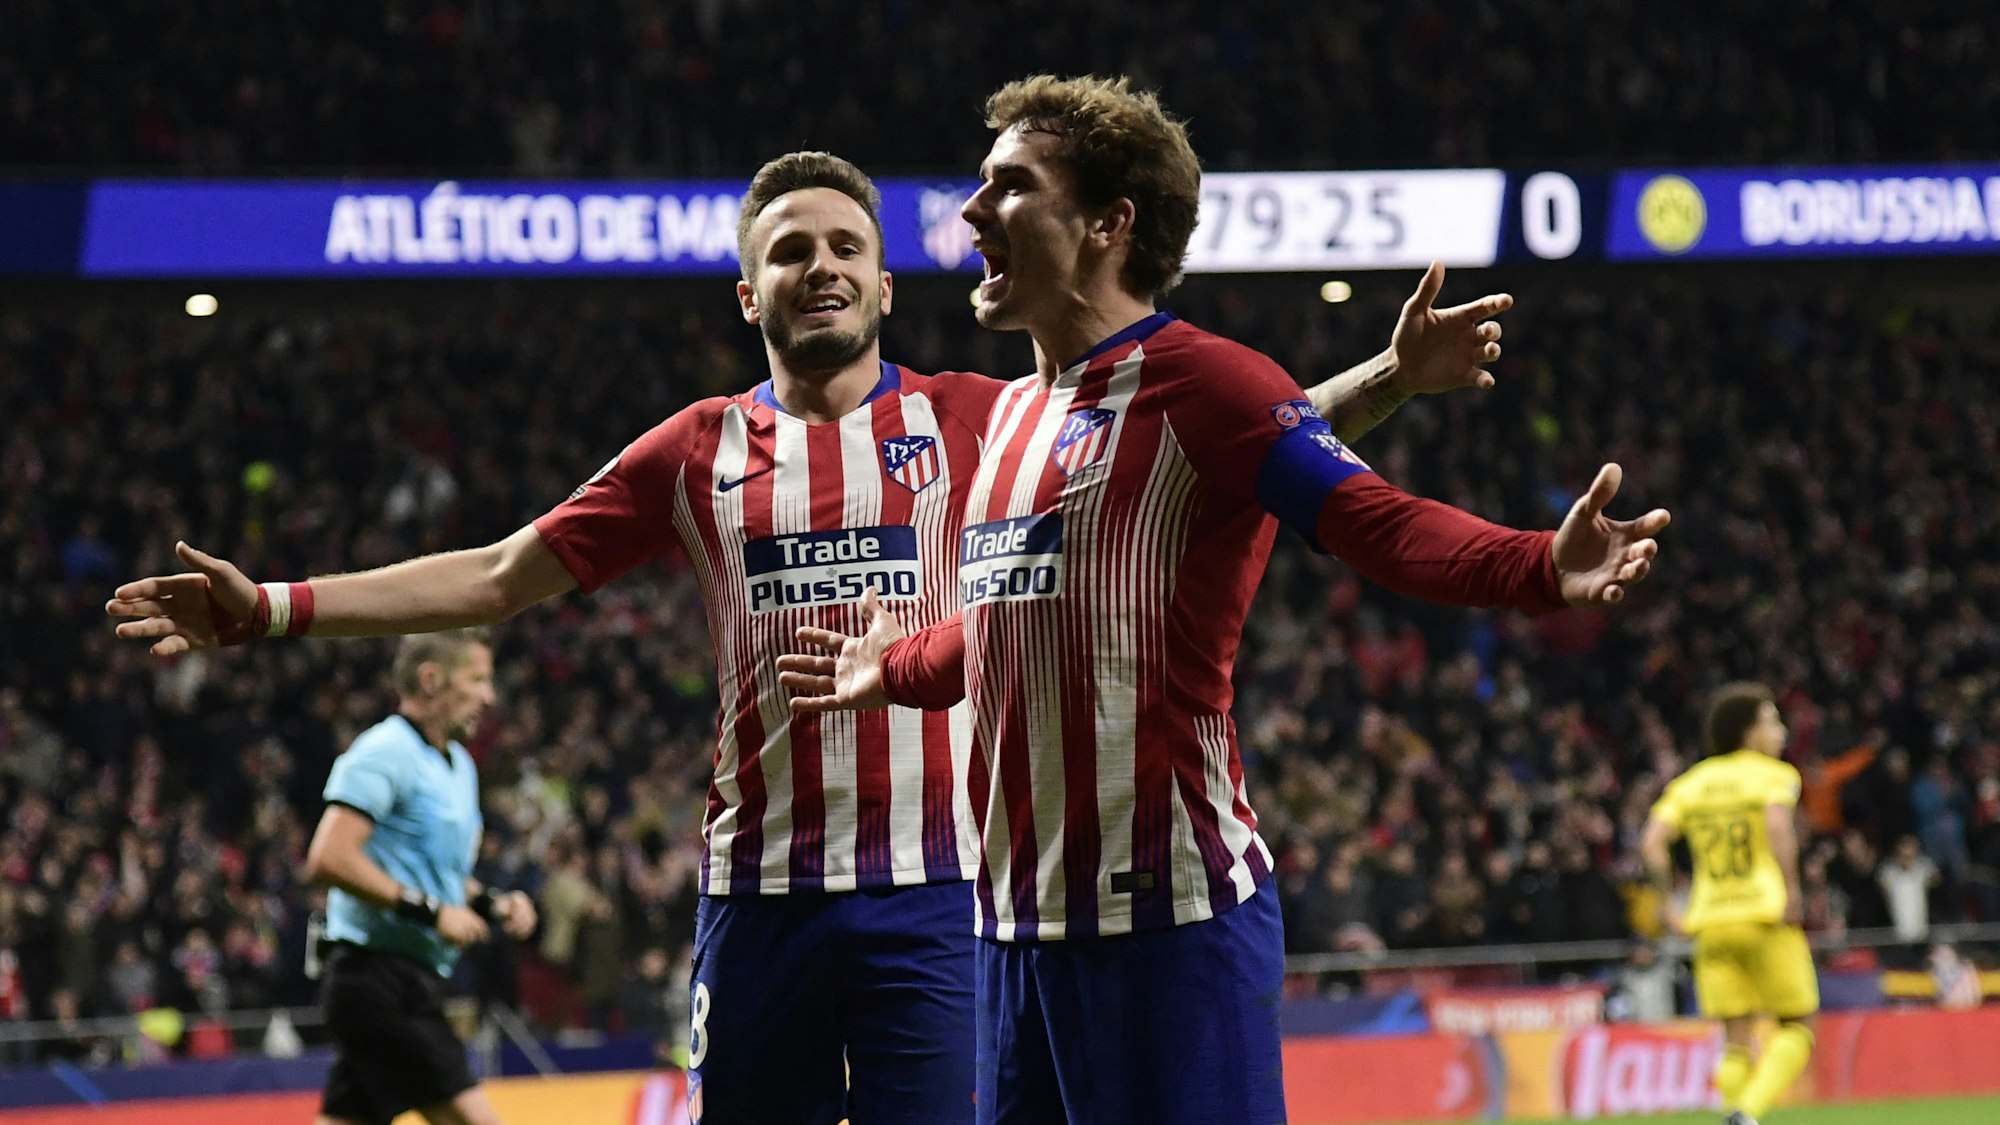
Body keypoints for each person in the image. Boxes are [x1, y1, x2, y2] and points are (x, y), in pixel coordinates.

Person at [106, 147, 1513, 1124]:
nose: (822, 266)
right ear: (749, 293)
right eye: (791, 251)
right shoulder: (694, 451)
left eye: (848, 246)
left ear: (888, 283)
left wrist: (1393, 373)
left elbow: (1227, 445)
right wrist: (276, 607)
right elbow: (495, 573)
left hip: (940, 904)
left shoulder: (981, 414)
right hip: (761, 906)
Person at [779, 74, 1669, 1125]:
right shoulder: (1013, 415)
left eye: (1009, 189)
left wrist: (1534, 566)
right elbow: (1007, 630)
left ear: (1108, 223)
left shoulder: (1207, 384)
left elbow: (1370, 518)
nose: (971, 213)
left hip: (1168, 930)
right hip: (1015, 936)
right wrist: (894, 666)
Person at [301, 630, 538, 1125]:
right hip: (377, 978)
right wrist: (431, 913)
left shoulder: (457, 766)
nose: (489, 696)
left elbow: (446, 879)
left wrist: (494, 904)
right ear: (431, 680)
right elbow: (329, 857)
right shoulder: (385, 751)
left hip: (408, 978)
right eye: (477, 679)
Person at [1641, 682, 1818, 1125]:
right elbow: (1778, 826)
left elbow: (1652, 843)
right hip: (1763, 914)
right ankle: (1747, 1113)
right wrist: (1793, 892)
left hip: (1711, 921)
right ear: (1747, 733)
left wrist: (1666, 903)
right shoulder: (1773, 775)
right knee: (1798, 1025)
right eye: (1771, 722)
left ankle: (1734, 1115)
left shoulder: (1691, 782)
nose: (1780, 733)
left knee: (1736, 1040)